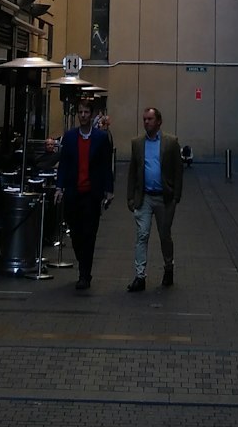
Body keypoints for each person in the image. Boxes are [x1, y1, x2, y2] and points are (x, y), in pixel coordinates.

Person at [54, 104, 114, 292]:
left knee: (89, 234)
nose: (83, 115)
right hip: (73, 192)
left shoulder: (101, 138)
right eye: (80, 112)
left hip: (91, 193)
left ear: (92, 114)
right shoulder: (70, 137)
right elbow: (63, 163)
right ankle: (83, 262)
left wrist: (108, 189)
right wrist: (59, 186)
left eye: (86, 112)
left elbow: (106, 165)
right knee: (76, 232)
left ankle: (84, 274)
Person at [125, 106, 184, 292]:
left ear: (158, 121)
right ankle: (140, 276)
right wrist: (130, 197)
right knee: (142, 235)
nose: (146, 122)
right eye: (144, 119)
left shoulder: (170, 142)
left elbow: (178, 170)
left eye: (149, 119)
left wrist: (176, 197)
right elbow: (132, 171)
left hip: (164, 198)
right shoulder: (137, 143)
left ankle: (168, 267)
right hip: (145, 197)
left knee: (165, 235)